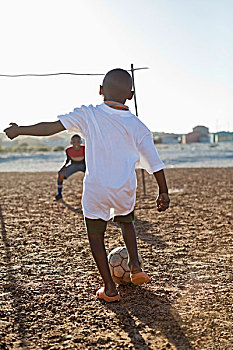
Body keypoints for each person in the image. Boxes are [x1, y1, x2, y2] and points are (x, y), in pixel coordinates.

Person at [4, 68, 170, 303]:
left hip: (96, 189)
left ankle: (110, 289)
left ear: (101, 91)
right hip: (124, 188)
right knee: (126, 221)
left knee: (96, 236)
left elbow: (51, 127)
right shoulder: (138, 126)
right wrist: (163, 191)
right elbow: (155, 162)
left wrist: (20, 130)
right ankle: (135, 267)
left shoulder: (89, 114)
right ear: (131, 95)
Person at [55, 134, 85, 200]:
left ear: (80, 142)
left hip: (84, 165)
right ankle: (59, 194)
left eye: (78, 142)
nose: (76, 143)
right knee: (61, 174)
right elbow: (68, 160)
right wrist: (63, 167)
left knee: (94, 176)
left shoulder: (85, 148)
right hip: (74, 165)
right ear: (71, 143)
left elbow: (90, 159)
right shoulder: (68, 150)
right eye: (74, 142)